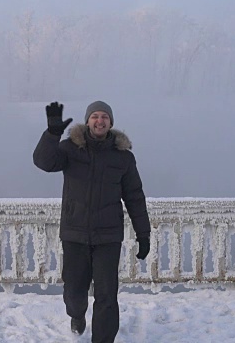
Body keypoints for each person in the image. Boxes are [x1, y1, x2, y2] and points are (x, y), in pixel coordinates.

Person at [33, 100, 151, 343]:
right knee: (74, 292)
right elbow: (43, 162)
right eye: (95, 116)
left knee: (107, 295)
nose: (100, 120)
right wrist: (52, 134)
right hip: (75, 234)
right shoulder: (70, 149)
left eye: (104, 117)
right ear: (88, 121)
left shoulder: (123, 158)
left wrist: (144, 234)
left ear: (111, 123)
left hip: (108, 236)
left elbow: (135, 197)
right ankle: (77, 316)